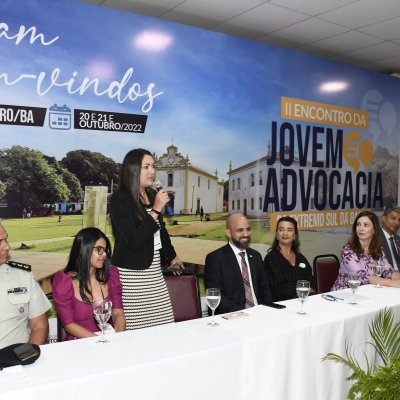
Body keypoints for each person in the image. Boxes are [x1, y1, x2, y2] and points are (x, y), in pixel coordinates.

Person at [110, 148, 184, 330]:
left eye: (153, 166)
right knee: (137, 334)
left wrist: (172, 256)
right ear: (133, 170)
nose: (152, 171)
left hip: (154, 273)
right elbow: (133, 240)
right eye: (146, 166)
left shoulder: (151, 195)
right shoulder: (120, 199)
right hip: (132, 276)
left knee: (165, 326)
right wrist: (156, 210)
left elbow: (161, 231)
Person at [52, 227, 125, 340]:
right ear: (83, 249)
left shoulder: (111, 275)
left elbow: (118, 313)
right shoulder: (64, 281)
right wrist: (99, 342)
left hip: (110, 340)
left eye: (105, 250)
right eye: (99, 250)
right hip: (79, 344)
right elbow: (69, 325)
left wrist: (118, 339)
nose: (104, 254)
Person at [204, 212, 272, 314]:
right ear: (228, 233)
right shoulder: (215, 259)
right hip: (233, 317)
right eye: (240, 230)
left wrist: (266, 310)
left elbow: (265, 288)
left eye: (248, 229)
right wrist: (245, 314)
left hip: (260, 314)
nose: (245, 234)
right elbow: (216, 296)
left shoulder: (256, 256)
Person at [0, 224, 51, 349]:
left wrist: (27, 358)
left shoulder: (23, 276)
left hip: (17, 359)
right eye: (0, 241)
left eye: (6, 239)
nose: (7, 246)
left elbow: (39, 326)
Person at [331, 210, 400, 290]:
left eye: (366, 225)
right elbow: (363, 277)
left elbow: (389, 271)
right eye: (358, 225)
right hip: (345, 293)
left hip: (369, 292)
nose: (361, 228)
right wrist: (391, 283)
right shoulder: (347, 251)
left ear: (374, 230)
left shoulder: (378, 249)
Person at [264, 216, 315, 301]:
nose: (285, 233)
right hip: (282, 306)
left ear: (294, 236)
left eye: (289, 230)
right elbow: (278, 288)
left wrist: (310, 289)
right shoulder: (271, 258)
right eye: (281, 230)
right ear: (277, 235)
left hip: (304, 301)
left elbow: (311, 279)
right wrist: (304, 290)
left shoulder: (300, 257)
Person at [379, 204, 400, 271]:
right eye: (393, 218)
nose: (397, 223)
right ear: (384, 218)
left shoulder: (398, 240)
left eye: (399, 220)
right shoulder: (374, 239)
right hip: (385, 278)